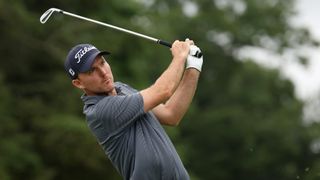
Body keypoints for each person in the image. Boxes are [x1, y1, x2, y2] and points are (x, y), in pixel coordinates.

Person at [64, 39, 203, 180]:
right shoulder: (100, 111)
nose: (103, 72)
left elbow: (171, 114)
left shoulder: (122, 88)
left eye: (102, 63)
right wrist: (180, 56)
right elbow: (163, 91)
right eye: (92, 70)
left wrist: (193, 66)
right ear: (78, 83)